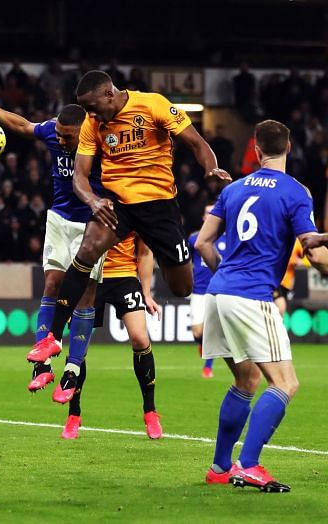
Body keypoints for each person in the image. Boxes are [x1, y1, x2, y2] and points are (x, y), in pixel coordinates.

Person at [44, 70, 231, 400]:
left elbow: (197, 143)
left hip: (159, 208)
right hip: (119, 206)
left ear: (109, 94)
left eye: (93, 107)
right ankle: (53, 337)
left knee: (182, 286)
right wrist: (92, 200)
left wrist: (210, 167)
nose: (91, 115)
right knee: (86, 250)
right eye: (85, 109)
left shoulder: (152, 105)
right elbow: (81, 177)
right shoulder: (92, 124)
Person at [196, 120, 328, 492]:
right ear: (290, 148)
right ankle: (249, 464)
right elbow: (314, 253)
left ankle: (221, 467)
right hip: (252, 296)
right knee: (285, 383)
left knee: (246, 379)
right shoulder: (296, 191)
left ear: (255, 150)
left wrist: (227, 278)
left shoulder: (234, 189)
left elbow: (204, 243)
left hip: (219, 294)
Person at [0, 75, 105, 395]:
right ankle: (43, 365)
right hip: (59, 218)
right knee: (52, 283)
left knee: (85, 293)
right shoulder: (55, 131)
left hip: (93, 223)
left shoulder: (99, 139)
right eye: (59, 136)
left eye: (68, 138)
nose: (61, 142)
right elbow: (22, 125)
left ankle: (73, 368)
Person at [62, 233, 163, 439]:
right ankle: (74, 414)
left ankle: (150, 412)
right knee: (79, 347)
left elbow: (145, 251)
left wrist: (146, 294)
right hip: (89, 277)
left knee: (140, 339)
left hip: (124, 277)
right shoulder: (92, 204)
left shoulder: (135, 205)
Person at [188, 204, 227, 379]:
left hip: (218, 291)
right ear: (204, 217)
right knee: (197, 332)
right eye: (207, 213)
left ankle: (208, 367)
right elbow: (186, 262)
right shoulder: (194, 239)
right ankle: (203, 345)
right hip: (198, 290)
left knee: (212, 330)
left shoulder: (228, 239)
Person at [273, 240, 305, 315]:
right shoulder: (278, 237)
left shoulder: (298, 241)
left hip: (287, 283)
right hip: (276, 279)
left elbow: (307, 258)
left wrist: (300, 261)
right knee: (281, 306)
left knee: (281, 310)